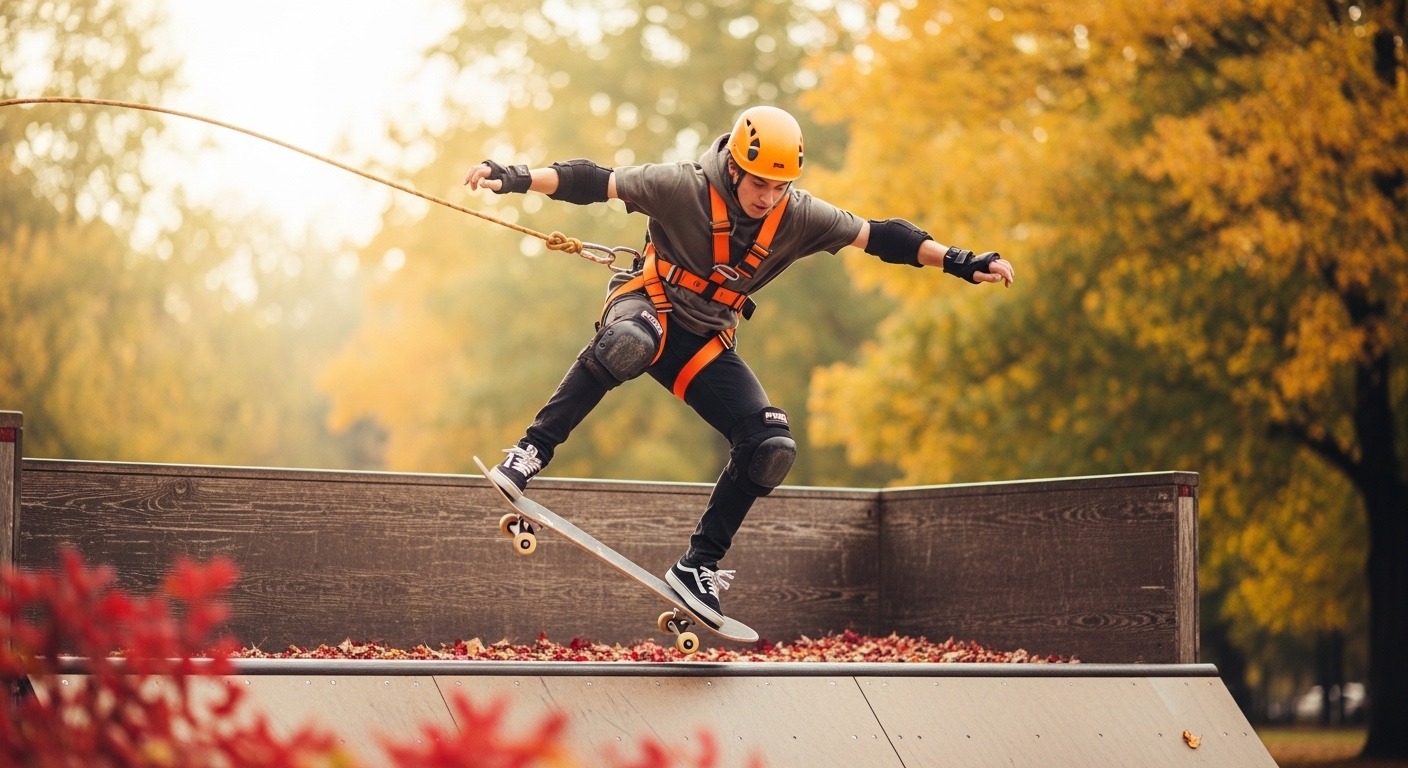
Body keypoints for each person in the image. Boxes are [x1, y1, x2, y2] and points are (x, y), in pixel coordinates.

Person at [464, 105, 1013, 628]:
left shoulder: (801, 216)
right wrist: (514, 176)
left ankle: (697, 566)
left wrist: (962, 262)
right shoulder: (681, 185)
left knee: (770, 445)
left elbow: (883, 236)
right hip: (647, 306)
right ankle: (531, 450)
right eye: (759, 185)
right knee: (628, 342)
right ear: (733, 166)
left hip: (703, 340)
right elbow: (593, 180)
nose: (768, 198)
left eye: (781, 188)